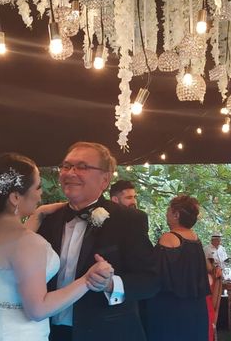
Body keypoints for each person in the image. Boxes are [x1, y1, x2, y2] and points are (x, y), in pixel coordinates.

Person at [0, 152, 113, 341]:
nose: (41, 193)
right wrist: (87, 279)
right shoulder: (28, 243)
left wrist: (37, 215)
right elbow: (38, 309)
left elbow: (11, 254)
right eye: (37, 187)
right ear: (15, 197)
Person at [38, 142, 158, 341]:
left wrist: (111, 284)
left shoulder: (129, 220)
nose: (70, 173)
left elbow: (151, 281)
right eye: (66, 166)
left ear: (105, 179)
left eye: (82, 167)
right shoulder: (49, 219)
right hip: (50, 333)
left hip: (106, 333)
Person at [143, 195, 210, 341]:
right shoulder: (195, 238)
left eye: (168, 210)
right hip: (195, 306)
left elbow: (156, 272)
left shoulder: (169, 238)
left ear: (176, 214)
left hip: (172, 305)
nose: (166, 214)